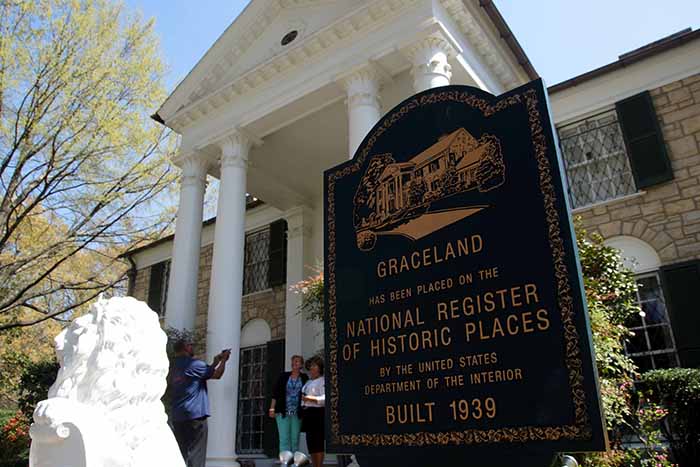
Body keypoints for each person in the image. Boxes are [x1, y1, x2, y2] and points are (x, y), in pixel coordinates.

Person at [169, 338, 230, 467]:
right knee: (196, 455)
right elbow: (217, 375)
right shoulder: (194, 364)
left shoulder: (173, 367)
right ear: (185, 347)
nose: (192, 347)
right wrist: (224, 360)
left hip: (178, 417)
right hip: (195, 417)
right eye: (191, 345)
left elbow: (202, 374)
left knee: (182, 454)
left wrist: (214, 363)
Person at [269, 355, 308, 455]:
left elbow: (307, 394)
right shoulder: (284, 376)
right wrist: (272, 408)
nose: (294, 363)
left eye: (297, 361)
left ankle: (294, 462)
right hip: (283, 412)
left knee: (295, 439)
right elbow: (275, 393)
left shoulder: (304, 377)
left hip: (297, 413)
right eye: (293, 361)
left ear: (301, 365)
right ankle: (285, 462)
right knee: (284, 439)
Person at [301, 356, 325, 467]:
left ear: (319, 368)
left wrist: (309, 399)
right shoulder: (308, 382)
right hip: (307, 414)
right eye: (310, 366)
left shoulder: (322, 380)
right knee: (310, 442)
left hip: (317, 413)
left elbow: (324, 399)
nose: (311, 368)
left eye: (314, 365)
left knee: (318, 442)